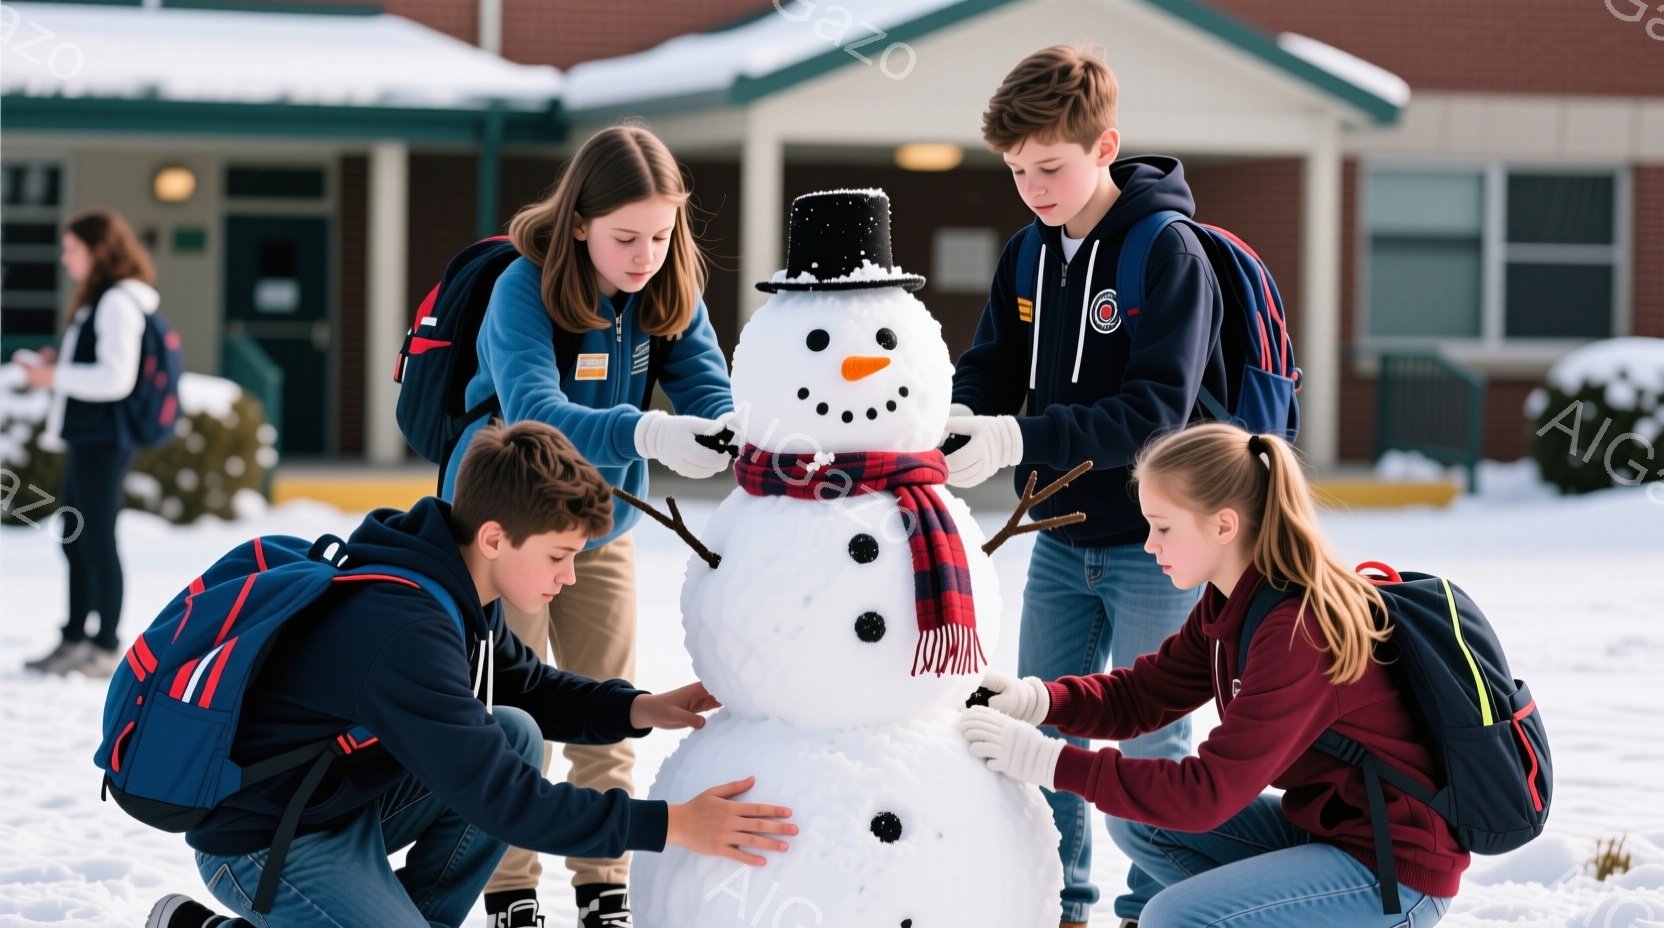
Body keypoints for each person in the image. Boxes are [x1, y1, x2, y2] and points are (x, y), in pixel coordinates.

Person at [146, 421, 794, 928]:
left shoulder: (458, 588)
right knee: (504, 760)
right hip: (264, 840)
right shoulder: (404, 629)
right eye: (559, 556)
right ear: (493, 538)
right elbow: (507, 802)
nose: (569, 577)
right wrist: (672, 824)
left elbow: (530, 690)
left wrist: (639, 709)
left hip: (337, 798)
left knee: (514, 731)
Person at [960, 423, 1464, 927]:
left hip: (1394, 872)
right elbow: (1146, 694)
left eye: (1162, 527)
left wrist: (1045, 760)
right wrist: (1036, 701)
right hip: (1328, 831)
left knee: (1172, 917)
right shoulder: (1234, 600)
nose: (1149, 545)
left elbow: (1205, 793)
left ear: (1224, 525)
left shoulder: (1298, 631)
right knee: (1140, 825)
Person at [942, 43, 1226, 925]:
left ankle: (1151, 907)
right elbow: (990, 368)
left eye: (1051, 166)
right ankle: (1060, 904)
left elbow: (1153, 416)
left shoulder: (1165, 252)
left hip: (1160, 545)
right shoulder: (1029, 254)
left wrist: (1015, 433)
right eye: (1017, 169)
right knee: (1044, 729)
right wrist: (954, 422)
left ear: (1106, 147)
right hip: (1059, 535)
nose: (1033, 186)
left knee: (1152, 736)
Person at [441, 124, 736, 927]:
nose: (646, 254)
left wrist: (735, 442)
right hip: (507, 533)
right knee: (513, 715)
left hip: (602, 529)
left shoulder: (667, 287)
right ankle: (508, 888)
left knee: (611, 707)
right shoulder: (521, 287)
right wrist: (649, 433)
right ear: (579, 222)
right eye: (626, 237)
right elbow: (536, 409)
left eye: (662, 233)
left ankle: (603, 884)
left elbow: (712, 393)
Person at [17, 207, 160, 678]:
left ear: (99, 251)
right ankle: (75, 637)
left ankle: (103, 645)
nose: (65, 259)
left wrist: (53, 375)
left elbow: (115, 379)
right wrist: (61, 363)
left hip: (104, 440)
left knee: (95, 540)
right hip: (89, 438)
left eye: (72, 249)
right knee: (76, 539)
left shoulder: (117, 302)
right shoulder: (105, 299)